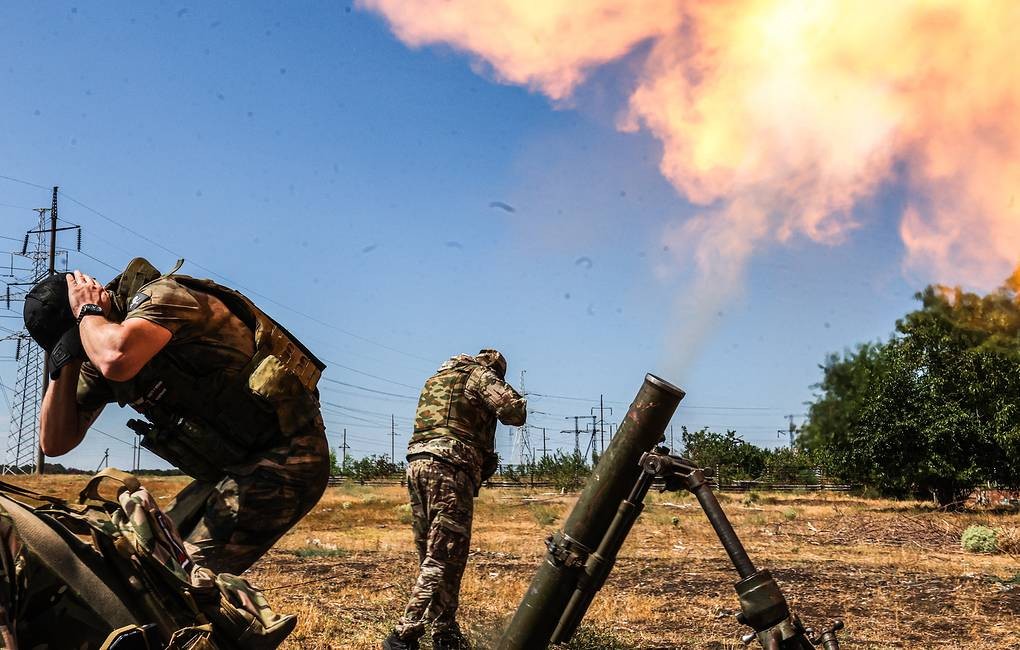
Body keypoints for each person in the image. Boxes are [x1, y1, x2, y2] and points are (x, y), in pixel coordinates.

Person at [24, 257, 330, 574]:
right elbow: (54, 442)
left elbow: (117, 358)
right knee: (145, 559)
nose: (84, 350)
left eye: (78, 343)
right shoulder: (95, 350)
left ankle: (236, 621)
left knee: (179, 580)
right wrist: (66, 364)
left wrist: (87, 314)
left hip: (290, 454)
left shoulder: (163, 297)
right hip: (232, 470)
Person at [384, 349, 527, 650]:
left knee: (438, 554)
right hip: (450, 469)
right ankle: (404, 634)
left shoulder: (437, 378)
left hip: (417, 466)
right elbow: (514, 412)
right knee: (443, 554)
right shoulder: (480, 376)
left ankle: (445, 630)